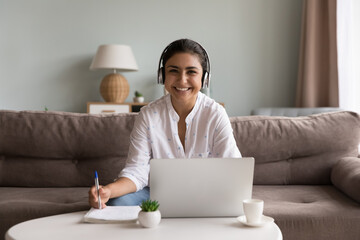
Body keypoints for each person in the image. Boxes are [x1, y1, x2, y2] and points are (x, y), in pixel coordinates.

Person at [89, 39, 241, 208]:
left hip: (205, 193)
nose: (182, 80)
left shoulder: (215, 113)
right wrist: (108, 191)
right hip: (154, 193)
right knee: (117, 202)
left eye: (191, 72)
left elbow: (231, 169)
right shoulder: (148, 115)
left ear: (205, 78)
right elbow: (136, 171)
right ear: (162, 76)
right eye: (174, 71)